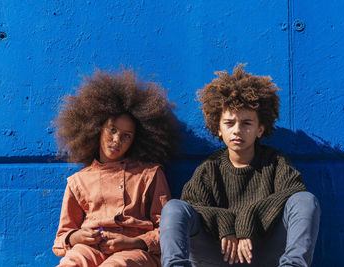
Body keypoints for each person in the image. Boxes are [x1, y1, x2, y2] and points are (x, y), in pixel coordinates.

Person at [160, 64, 320, 267]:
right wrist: (226, 223)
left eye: (246, 123)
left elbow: (293, 193)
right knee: (174, 208)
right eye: (229, 123)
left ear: (260, 130)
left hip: (262, 253)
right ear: (218, 129)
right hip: (217, 255)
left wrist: (248, 221)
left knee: (305, 200)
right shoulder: (209, 169)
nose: (237, 130)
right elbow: (193, 206)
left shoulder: (275, 163)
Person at [52, 68, 178, 267]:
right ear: (96, 128)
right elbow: (62, 238)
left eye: (126, 135)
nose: (116, 139)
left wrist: (134, 242)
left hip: (134, 252)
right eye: (112, 130)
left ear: (136, 140)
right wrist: (77, 237)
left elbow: (168, 230)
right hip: (90, 248)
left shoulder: (150, 174)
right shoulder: (78, 181)